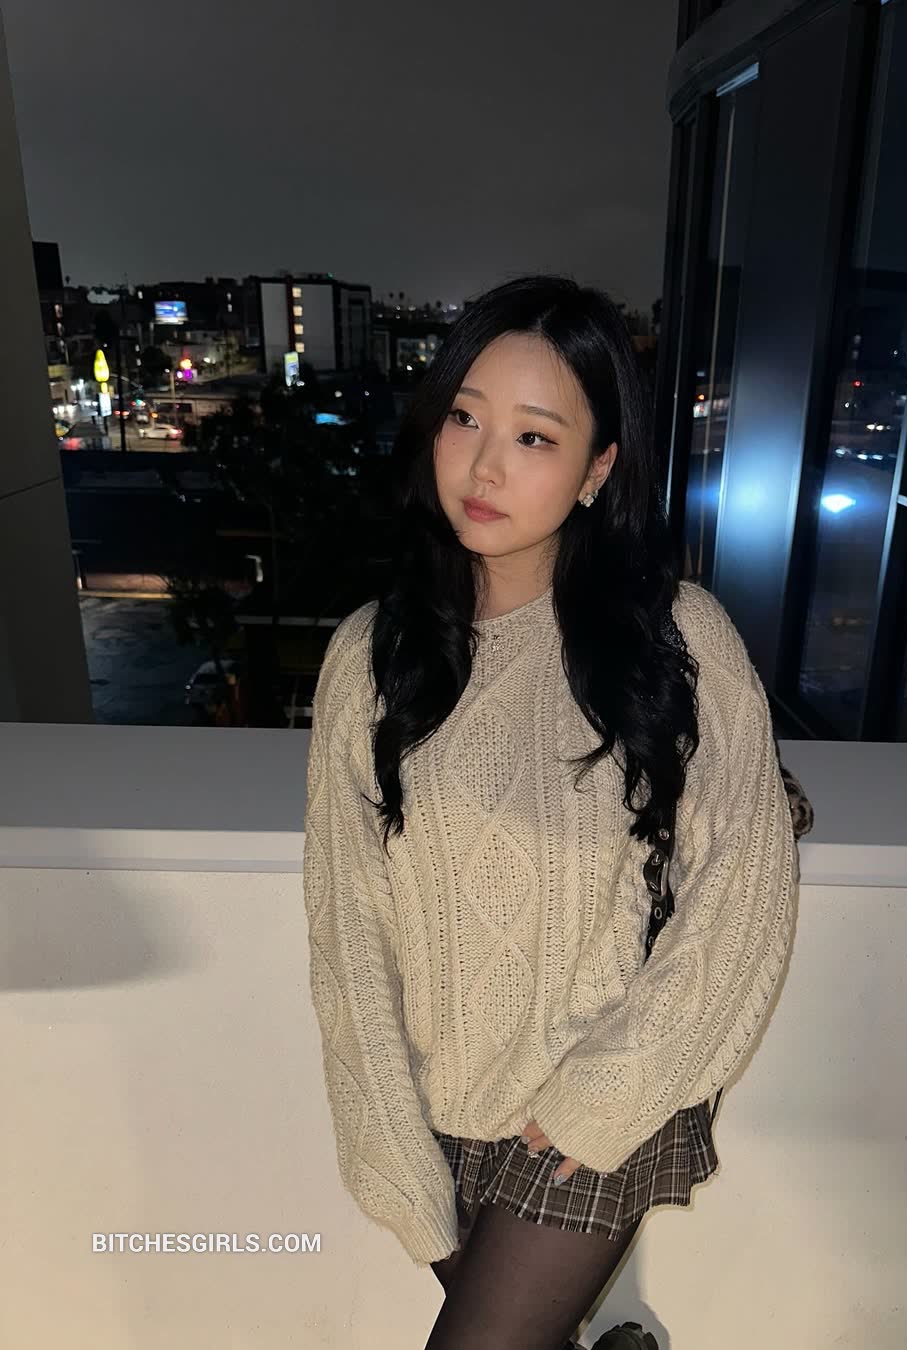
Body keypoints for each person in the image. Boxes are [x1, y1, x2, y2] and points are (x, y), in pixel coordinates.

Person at [302, 274, 801, 1350]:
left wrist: (607, 1094)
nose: (483, 466)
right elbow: (349, 928)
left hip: (599, 1092)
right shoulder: (371, 655)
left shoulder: (677, 636)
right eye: (465, 419)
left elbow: (746, 884)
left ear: (597, 470)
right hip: (443, 1104)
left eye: (534, 437)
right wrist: (389, 1143)